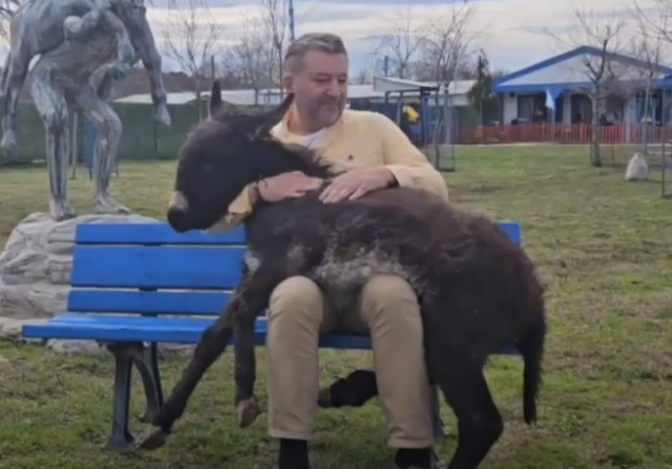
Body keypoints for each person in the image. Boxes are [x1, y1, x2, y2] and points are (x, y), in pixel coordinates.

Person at [210, 32, 449, 469]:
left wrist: (388, 174)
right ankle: (293, 448)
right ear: (289, 85)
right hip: (306, 280)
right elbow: (214, 217)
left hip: (368, 281)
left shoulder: (375, 128)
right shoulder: (262, 145)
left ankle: (414, 448)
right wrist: (262, 189)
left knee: (394, 295)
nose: (336, 91)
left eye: (342, 79)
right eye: (323, 79)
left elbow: (436, 185)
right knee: (291, 297)